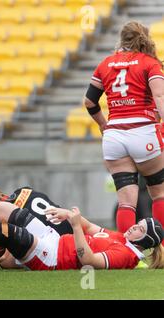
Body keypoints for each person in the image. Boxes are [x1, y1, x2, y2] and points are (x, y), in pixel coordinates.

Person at [84, 21, 164, 234]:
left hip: (114, 136)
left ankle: (130, 253)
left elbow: (89, 102)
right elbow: (159, 96)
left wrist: (103, 124)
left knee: (126, 202)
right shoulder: (150, 63)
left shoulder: (105, 63)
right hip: (143, 131)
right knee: (159, 194)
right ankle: (163, 248)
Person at [0, 202, 164, 270]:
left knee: (2, 231)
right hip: (54, 239)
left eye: (140, 229)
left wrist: (76, 226)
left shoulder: (126, 255)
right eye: (137, 223)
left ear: (145, 240)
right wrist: (67, 214)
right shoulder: (121, 239)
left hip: (52, 257)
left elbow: (88, 260)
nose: (133, 226)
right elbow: (90, 226)